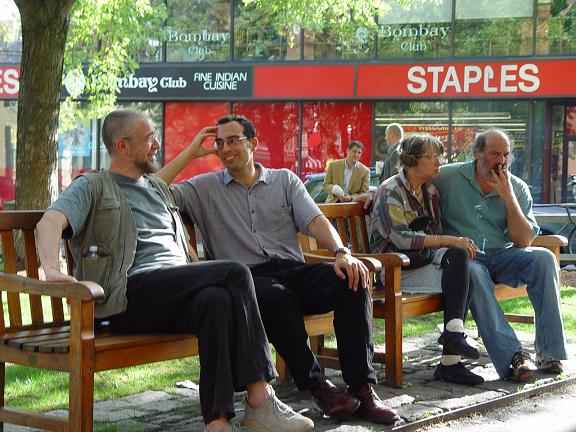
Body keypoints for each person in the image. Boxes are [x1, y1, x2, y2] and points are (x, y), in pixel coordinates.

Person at [35, 109, 313, 432]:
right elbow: (49, 222)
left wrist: (192, 152)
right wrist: (52, 270)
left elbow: (159, 179)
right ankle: (260, 397)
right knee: (236, 272)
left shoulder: (156, 188)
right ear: (123, 146)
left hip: (170, 294)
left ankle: (218, 422)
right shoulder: (93, 186)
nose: (156, 144)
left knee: (216, 301)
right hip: (128, 295)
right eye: (149, 138)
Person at [157, 114, 401, 425]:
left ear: (253, 143)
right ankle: (318, 387)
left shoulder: (284, 180)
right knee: (276, 297)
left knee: (352, 279)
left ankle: (362, 389)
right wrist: (191, 152)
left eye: (233, 140)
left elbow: (315, 221)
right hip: (245, 280)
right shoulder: (202, 188)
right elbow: (151, 189)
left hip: (293, 270)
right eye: (219, 143)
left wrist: (342, 253)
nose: (225, 148)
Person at [434, 128, 568, 382]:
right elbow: (410, 178)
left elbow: (523, 241)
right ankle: (514, 356)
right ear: (478, 153)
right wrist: (369, 194)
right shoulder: (449, 176)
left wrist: (508, 197)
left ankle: (550, 353)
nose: (502, 161)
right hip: (466, 259)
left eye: (506, 154)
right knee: (472, 271)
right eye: (494, 154)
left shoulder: (517, 187)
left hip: (503, 256)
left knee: (544, 258)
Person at [370, 135, 483, 385]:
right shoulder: (390, 191)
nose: (438, 162)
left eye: (439, 156)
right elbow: (401, 239)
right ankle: (450, 361)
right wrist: (449, 240)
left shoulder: (430, 192)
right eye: (432, 157)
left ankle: (453, 340)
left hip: (423, 260)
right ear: (411, 160)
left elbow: (432, 235)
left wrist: (453, 244)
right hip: (393, 266)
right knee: (464, 277)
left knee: (463, 263)